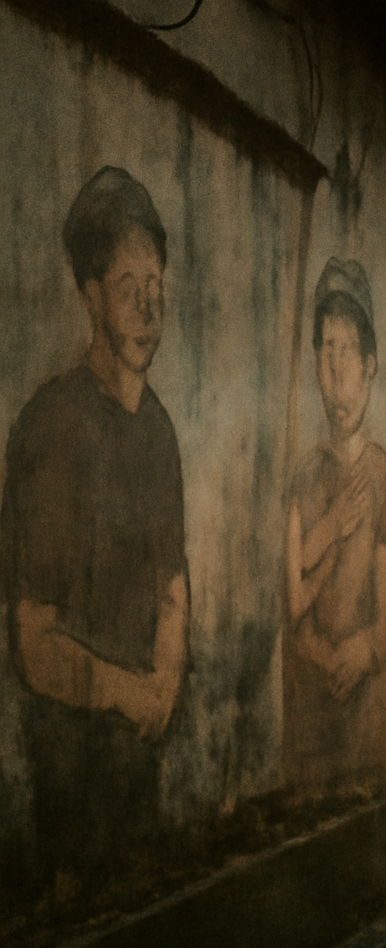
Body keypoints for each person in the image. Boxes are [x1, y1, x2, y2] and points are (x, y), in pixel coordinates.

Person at [0, 166, 189, 884]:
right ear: (90, 296)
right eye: (128, 288)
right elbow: (34, 642)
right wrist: (130, 692)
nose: (147, 310)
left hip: (143, 756)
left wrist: (167, 678)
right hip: (72, 767)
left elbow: (175, 586)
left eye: (157, 290)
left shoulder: (161, 432)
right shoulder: (53, 427)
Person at [284, 258, 386, 792]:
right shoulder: (305, 477)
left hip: (367, 707)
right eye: (326, 348)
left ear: (371, 363)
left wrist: (368, 647)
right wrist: (321, 652)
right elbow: (295, 607)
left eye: (348, 349)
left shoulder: (380, 474)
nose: (335, 366)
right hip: (311, 707)